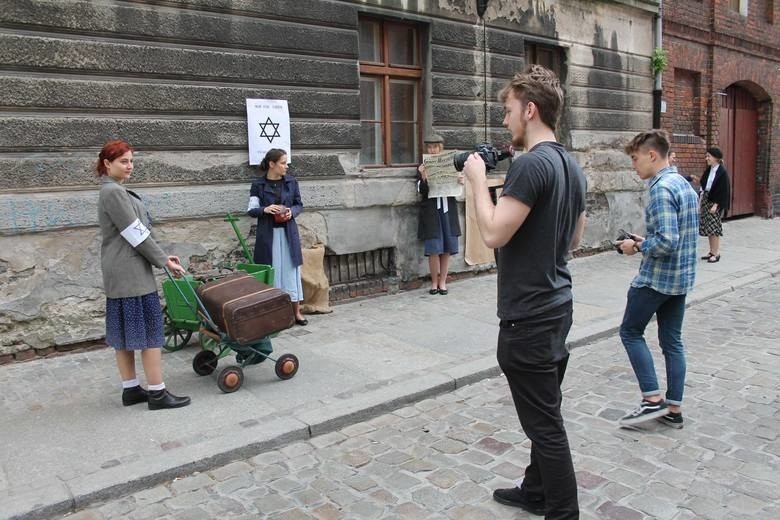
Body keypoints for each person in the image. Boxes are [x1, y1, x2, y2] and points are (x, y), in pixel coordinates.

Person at [462, 64, 587, 519]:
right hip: (558, 305)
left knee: (546, 425)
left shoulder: (530, 164)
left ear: (530, 109)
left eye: (508, 110)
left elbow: (494, 233)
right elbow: (574, 240)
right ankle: (535, 491)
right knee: (545, 411)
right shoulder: (570, 165)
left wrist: (478, 184)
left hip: (530, 315)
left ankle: (562, 512)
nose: (504, 120)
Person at [96, 140, 191, 410]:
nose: (129, 166)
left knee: (125, 336)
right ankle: (158, 394)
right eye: (123, 161)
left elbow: (138, 230)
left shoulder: (114, 191)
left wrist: (163, 255)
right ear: (107, 164)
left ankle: (131, 390)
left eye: (131, 161)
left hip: (124, 270)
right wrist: (163, 261)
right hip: (130, 272)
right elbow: (134, 233)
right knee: (150, 335)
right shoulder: (113, 192)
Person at [616, 130, 698, 430]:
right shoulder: (683, 184)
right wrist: (645, 238)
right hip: (681, 279)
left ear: (652, 155)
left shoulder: (661, 189)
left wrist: (636, 246)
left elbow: (667, 242)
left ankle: (651, 400)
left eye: (635, 159)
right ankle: (674, 409)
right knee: (672, 342)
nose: (633, 166)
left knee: (630, 332)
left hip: (657, 279)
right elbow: (677, 234)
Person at [247, 148, 307, 326]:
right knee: (273, 272)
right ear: (272, 164)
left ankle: (296, 312)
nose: (286, 166)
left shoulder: (291, 182)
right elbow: (251, 210)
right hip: (268, 236)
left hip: (289, 234)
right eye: (282, 163)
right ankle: (274, 315)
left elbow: (299, 205)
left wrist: (291, 212)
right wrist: (265, 209)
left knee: (290, 273)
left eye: (286, 162)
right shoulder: (258, 185)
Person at [416, 133, 462, 295]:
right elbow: (421, 191)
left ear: (441, 148)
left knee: (447, 248)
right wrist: (423, 176)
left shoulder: (450, 164)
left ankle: (443, 282)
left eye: (435, 146)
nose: (432, 149)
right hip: (431, 213)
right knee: (434, 248)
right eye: (429, 147)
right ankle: (434, 283)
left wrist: (459, 181)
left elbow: (457, 190)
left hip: (447, 211)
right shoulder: (422, 166)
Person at [697, 147, 730, 263]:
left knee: (714, 228)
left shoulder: (722, 172)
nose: (707, 158)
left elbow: (723, 190)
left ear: (716, 158)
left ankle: (716, 254)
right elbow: (704, 185)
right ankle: (711, 251)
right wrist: (700, 202)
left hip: (714, 203)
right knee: (708, 228)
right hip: (707, 200)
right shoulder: (709, 170)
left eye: (708, 156)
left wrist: (716, 205)